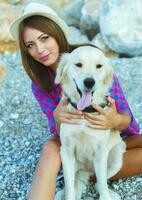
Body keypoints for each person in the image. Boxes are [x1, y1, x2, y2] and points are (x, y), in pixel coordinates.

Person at [10, 2, 142, 200]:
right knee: (50, 147)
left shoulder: (94, 61)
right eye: (30, 45)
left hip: (112, 137)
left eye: (44, 38)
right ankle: (79, 177)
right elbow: (58, 135)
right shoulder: (40, 84)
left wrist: (113, 120)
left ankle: (86, 176)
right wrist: (57, 116)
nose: (40, 49)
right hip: (74, 144)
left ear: (57, 33)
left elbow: (128, 121)